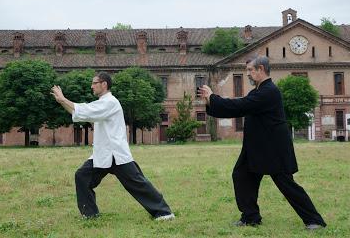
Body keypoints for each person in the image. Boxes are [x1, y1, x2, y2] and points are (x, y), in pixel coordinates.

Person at [198, 56, 326, 230]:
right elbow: (239, 109)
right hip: (256, 148)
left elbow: (240, 106)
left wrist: (213, 97)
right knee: (242, 176)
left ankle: (314, 220)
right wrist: (210, 102)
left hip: (274, 149)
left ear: (260, 69)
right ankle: (250, 217)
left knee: (286, 184)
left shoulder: (269, 91)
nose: (248, 74)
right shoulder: (258, 91)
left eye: (250, 70)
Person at [51, 72, 174, 221]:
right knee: (82, 176)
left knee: (137, 183)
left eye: (94, 83)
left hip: (116, 154)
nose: (92, 86)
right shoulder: (102, 103)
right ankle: (90, 215)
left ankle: (164, 213)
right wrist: (62, 102)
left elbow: (85, 111)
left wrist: (64, 99)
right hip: (103, 154)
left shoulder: (110, 102)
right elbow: (81, 114)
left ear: (104, 84)